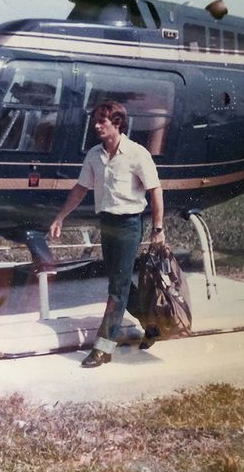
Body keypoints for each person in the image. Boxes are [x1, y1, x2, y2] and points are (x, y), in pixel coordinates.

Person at [49, 101, 165, 368]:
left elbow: (155, 190)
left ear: (118, 124)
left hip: (128, 225)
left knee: (117, 288)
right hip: (107, 224)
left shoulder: (137, 154)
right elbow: (80, 189)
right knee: (119, 281)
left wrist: (158, 229)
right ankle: (153, 324)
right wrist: (60, 217)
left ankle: (103, 348)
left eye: (103, 121)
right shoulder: (94, 155)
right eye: (95, 120)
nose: (96, 125)